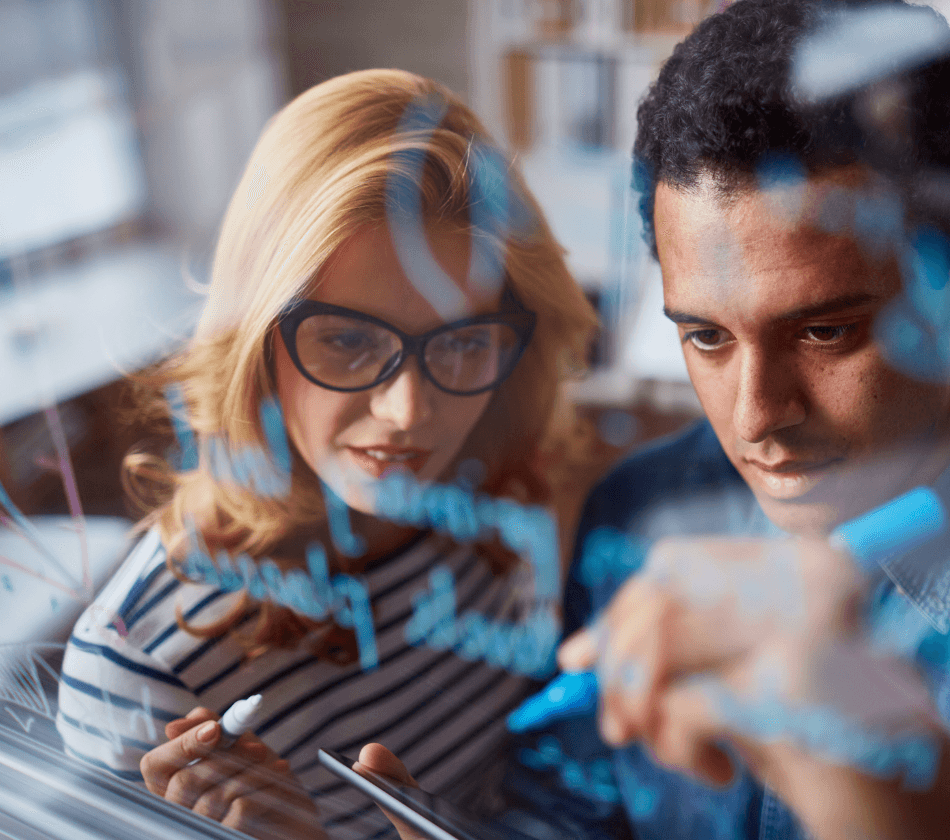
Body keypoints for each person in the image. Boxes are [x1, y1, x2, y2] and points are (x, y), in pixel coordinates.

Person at [511, 1, 950, 838]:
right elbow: (573, 809)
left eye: (825, 331)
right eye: (706, 337)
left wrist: (920, 811)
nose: (757, 416)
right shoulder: (639, 513)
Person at [56, 68, 597, 840]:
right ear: (254, 342)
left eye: (464, 341)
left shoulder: (500, 499)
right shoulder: (143, 669)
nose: (409, 413)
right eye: (348, 341)